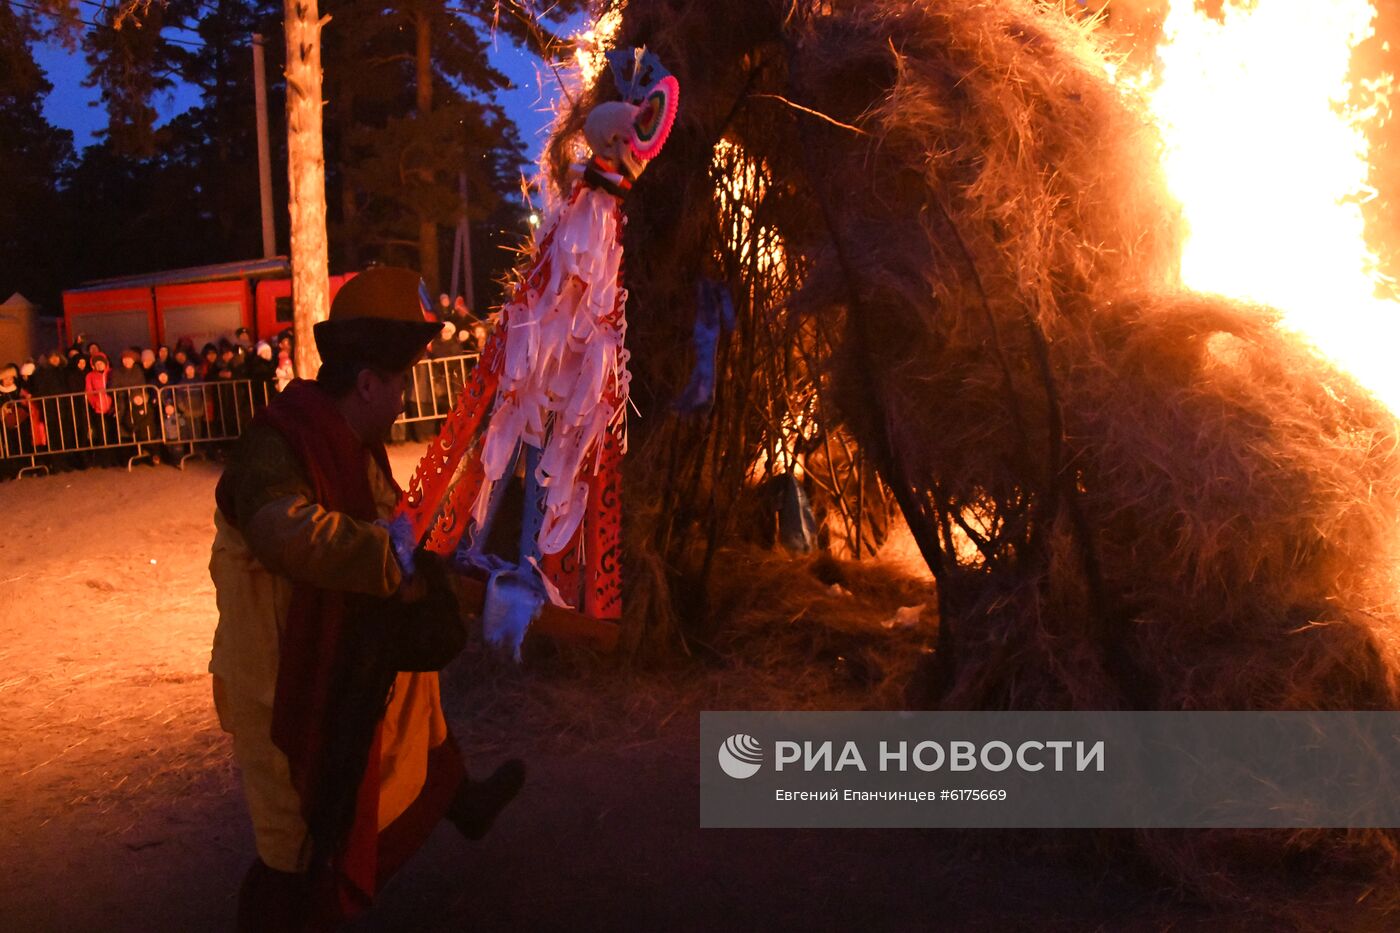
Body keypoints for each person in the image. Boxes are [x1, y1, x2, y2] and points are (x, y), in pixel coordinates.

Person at [208, 267, 523, 931]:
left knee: (415, 704)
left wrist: (451, 557)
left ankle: (454, 796)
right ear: (369, 383)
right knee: (292, 843)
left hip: (326, 648)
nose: (406, 400)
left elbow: (396, 521)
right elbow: (280, 531)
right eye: (401, 383)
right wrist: (391, 560)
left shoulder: (354, 442)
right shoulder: (281, 438)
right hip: (274, 671)